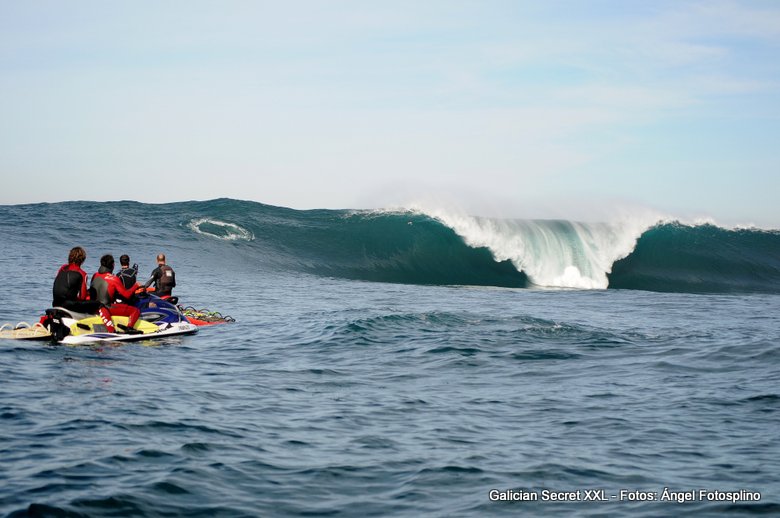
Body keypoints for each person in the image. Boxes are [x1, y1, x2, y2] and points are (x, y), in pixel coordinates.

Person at [90, 254, 142, 334]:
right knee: (136, 311)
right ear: (113, 265)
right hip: (107, 307)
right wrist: (135, 286)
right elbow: (126, 295)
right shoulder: (114, 278)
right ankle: (129, 328)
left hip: (94, 306)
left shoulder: (94, 275)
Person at [52, 246, 101, 314]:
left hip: (55, 303)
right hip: (68, 306)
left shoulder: (62, 268)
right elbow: (82, 297)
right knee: (97, 304)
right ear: (82, 260)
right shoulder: (82, 274)